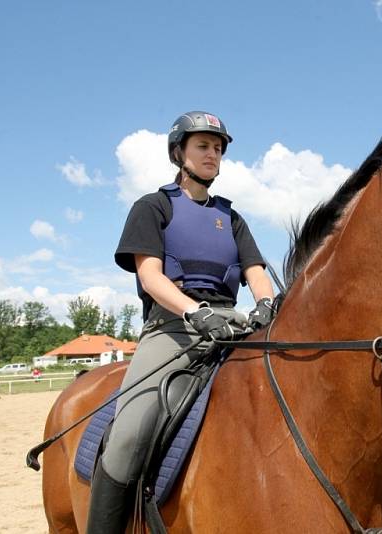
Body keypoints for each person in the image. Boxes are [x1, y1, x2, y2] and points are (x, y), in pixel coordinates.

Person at [86, 110, 276, 532]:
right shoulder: (152, 207)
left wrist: (265, 303)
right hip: (173, 329)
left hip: (233, 326)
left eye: (218, 148)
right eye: (203, 146)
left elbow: (256, 271)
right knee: (129, 436)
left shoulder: (232, 217)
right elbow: (150, 276)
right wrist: (194, 310)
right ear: (179, 153)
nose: (213, 154)